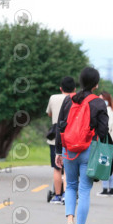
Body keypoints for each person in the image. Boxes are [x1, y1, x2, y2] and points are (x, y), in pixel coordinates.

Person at [55, 67, 108, 224]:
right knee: (84, 190)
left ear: (80, 82)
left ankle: (69, 220)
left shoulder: (69, 100)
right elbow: (103, 131)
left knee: (70, 186)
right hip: (89, 151)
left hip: (69, 149)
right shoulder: (99, 103)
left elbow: (60, 126)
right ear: (96, 84)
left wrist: (58, 151)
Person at [46, 76, 76, 204]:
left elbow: (49, 113)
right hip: (72, 137)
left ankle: (57, 196)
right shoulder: (77, 99)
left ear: (60, 88)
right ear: (74, 89)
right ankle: (66, 195)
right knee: (69, 168)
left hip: (56, 137)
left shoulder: (53, 98)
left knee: (57, 168)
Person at [97, 91, 113, 197]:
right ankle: (112, 189)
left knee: (104, 165)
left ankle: (106, 189)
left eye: (101, 99)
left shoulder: (107, 112)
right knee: (108, 166)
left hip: (107, 141)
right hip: (112, 141)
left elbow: (105, 128)